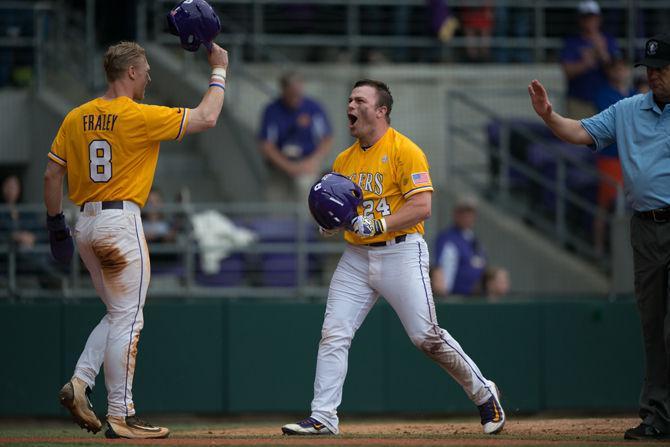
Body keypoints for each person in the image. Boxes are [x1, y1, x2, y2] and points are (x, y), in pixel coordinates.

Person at [281, 79, 505, 437]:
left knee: (426, 337)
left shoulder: (405, 150)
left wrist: (379, 223)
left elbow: (423, 207)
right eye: (349, 99)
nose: (350, 105)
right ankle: (323, 415)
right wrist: (331, 224)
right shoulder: (344, 159)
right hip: (356, 256)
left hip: (401, 251)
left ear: (381, 110)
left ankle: (483, 391)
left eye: (359, 100)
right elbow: (347, 212)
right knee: (334, 333)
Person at [44, 40, 228, 439]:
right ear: (129, 72)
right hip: (120, 223)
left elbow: (51, 176)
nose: (148, 76)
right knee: (129, 317)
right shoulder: (138, 115)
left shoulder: (76, 116)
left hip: (84, 226)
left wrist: (56, 225)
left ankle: (81, 381)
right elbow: (207, 116)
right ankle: (120, 415)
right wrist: (219, 70)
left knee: (118, 314)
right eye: (144, 70)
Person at [528, 33, 670, 441]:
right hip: (645, 227)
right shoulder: (628, 110)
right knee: (652, 323)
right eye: (650, 69)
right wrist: (549, 116)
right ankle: (657, 416)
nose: (654, 76)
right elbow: (580, 132)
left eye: (662, 69)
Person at [258, 71, 333, 204]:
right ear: (283, 90)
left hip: (306, 163)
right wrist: (288, 167)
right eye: (292, 93)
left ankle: (307, 225)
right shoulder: (272, 110)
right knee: (275, 200)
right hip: (280, 165)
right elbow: (266, 145)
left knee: (307, 192)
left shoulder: (313, 108)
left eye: (298, 92)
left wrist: (313, 161)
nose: (295, 97)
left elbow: (326, 139)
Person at [592, 58, 635, 254]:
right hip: (611, 159)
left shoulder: (635, 94)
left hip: (633, 160)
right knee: (606, 205)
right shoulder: (603, 94)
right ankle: (599, 249)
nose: (621, 72)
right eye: (616, 68)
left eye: (623, 67)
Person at [560, 1, 620, 119]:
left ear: (599, 19)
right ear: (580, 20)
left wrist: (602, 53)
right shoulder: (572, 42)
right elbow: (567, 71)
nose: (590, 22)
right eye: (586, 18)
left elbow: (617, 73)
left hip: (606, 100)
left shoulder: (608, 41)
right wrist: (586, 63)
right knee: (578, 135)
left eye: (593, 17)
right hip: (579, 101)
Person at [431, 197, 486, 297]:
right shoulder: (446, 238)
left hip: (476, 298)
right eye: (463, 213)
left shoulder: (474, 240)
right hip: (455, 298)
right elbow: (438, 270)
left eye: (470, 213)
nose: (467, 217)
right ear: (455, 214)